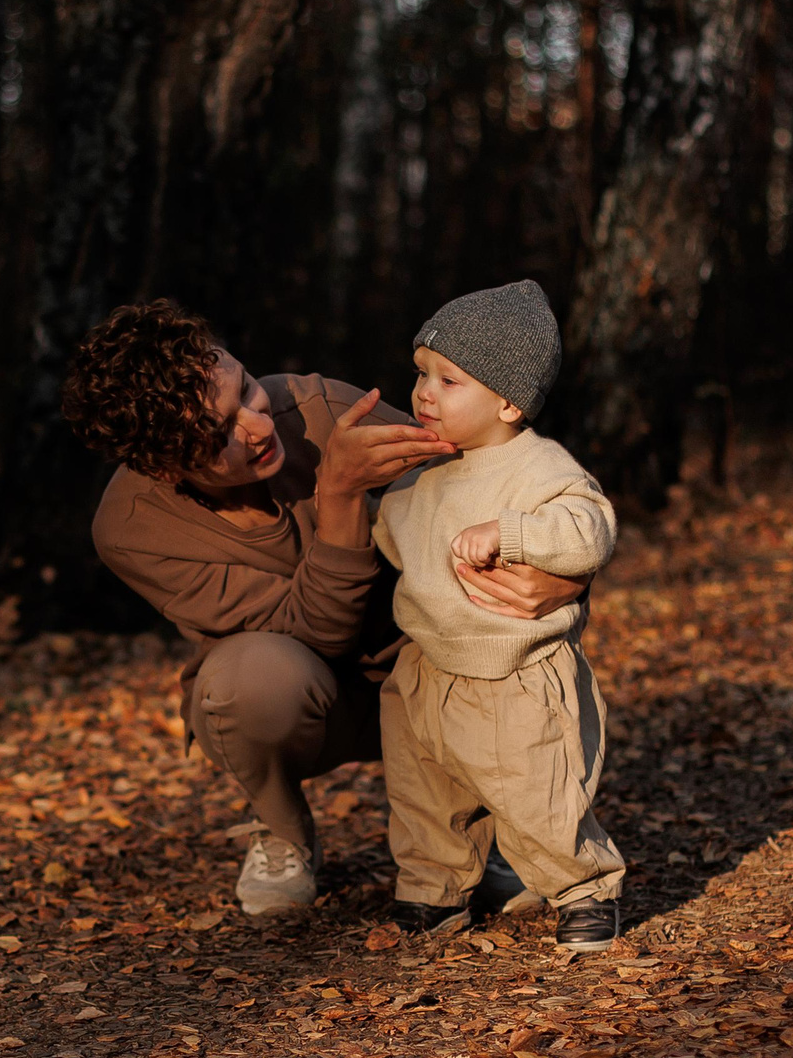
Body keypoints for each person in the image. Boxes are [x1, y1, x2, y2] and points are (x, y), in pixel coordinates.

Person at [63, 299, 586, 915]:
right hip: (308, 695)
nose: (258, 427)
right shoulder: (134, 528)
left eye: (246, 391)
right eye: (219, 435)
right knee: (242, 682)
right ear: (164, 465)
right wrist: (338, 494)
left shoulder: (320, 410)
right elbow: (317, 636)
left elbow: (505, 475)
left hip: (431, 666)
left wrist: (565, 581)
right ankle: (282, 830)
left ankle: (500, 831)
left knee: (511, 627)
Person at [372, 281, 627, 953]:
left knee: (535, 793)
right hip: (425, 667)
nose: (424, 393)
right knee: (424, 794)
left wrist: (512, 534)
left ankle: (585, 889)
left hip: (513, 672)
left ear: (509, 402)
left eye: (448, 380)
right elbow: (393, 540)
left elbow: (589, 529)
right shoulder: (421, 471)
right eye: (421, 373)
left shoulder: (538, 466)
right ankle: (434, 889)